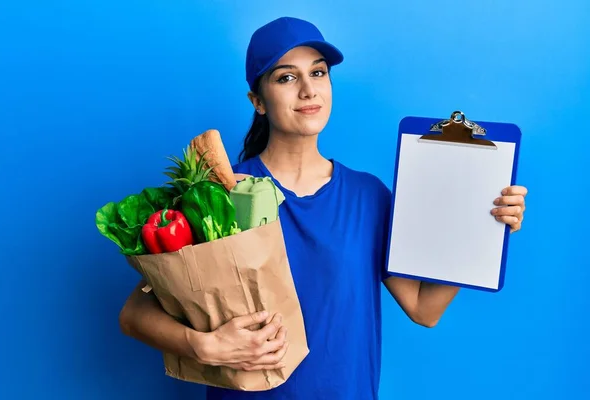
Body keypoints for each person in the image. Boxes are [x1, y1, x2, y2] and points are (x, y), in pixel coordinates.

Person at [118, 16, 528, 400]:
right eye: (285, 77)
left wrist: (482, 227)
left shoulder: (369, 196)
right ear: (257, 100)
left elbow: (425, 309)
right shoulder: (222, 193)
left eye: (318, 72)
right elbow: (134, 314)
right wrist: (204, 346)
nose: (308, 89)